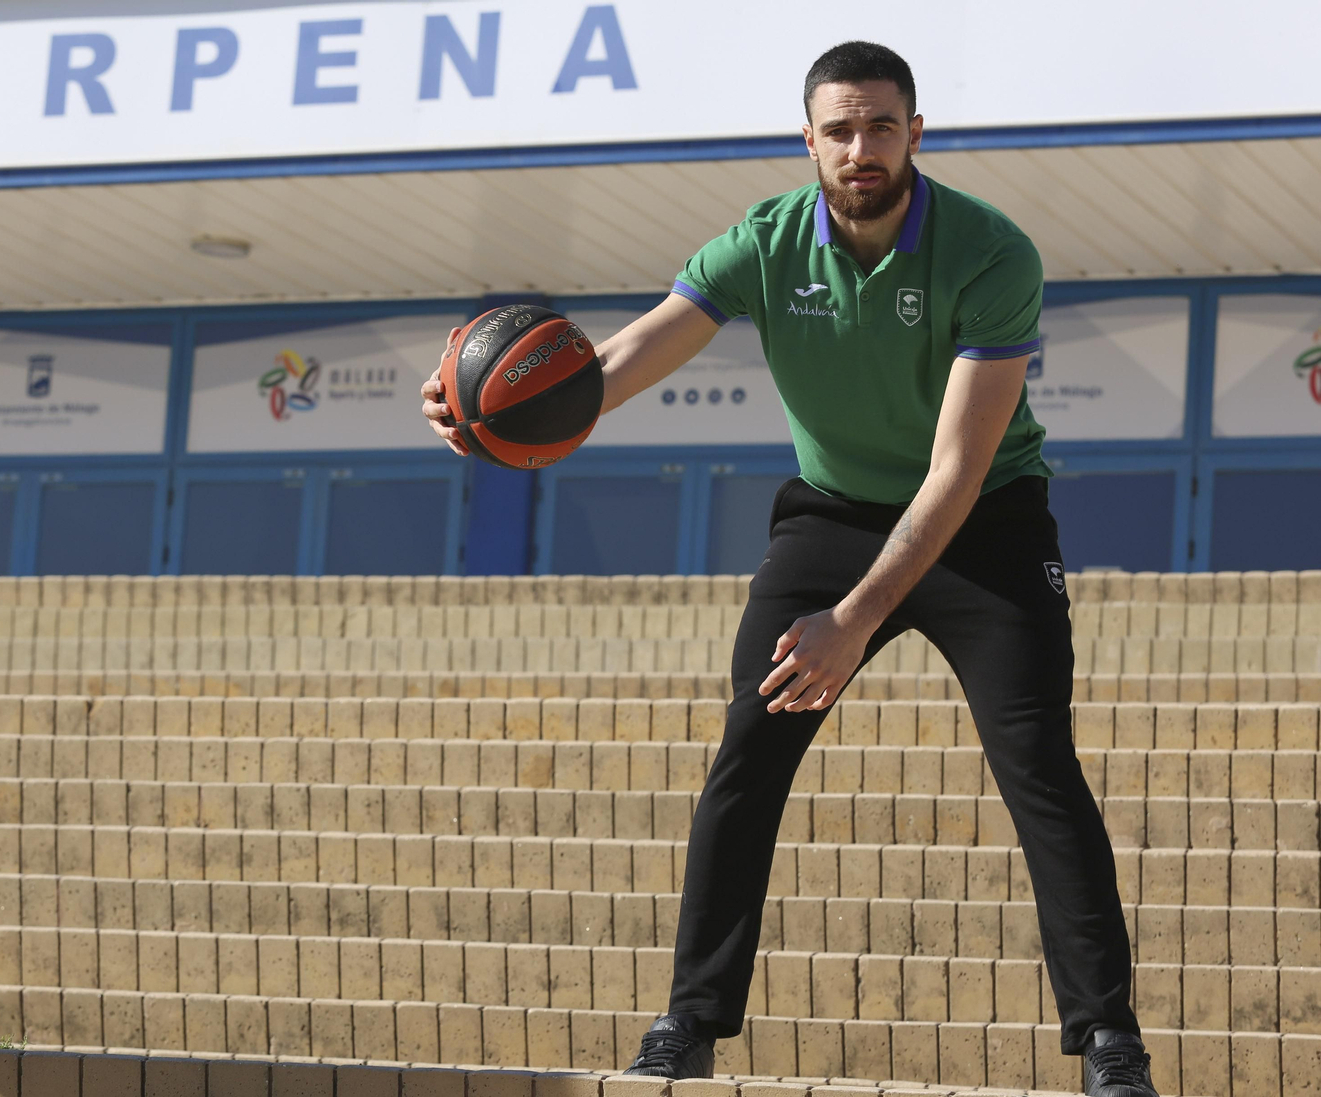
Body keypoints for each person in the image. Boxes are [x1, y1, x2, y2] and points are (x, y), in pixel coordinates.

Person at [421, 39, 1156, 1097]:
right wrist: (500, 417)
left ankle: (1108, 1040)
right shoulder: (760, 245)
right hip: (829, 519)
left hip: (982, 521)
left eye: (882, 126)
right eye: (841, 129)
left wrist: (852, 621)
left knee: (1037, 762)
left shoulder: (992, 253)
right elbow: (620, 362)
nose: (862, 147)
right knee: (747, 759)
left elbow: (954, 471)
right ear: (807, 139)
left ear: (915, 132)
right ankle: (689, 1018)